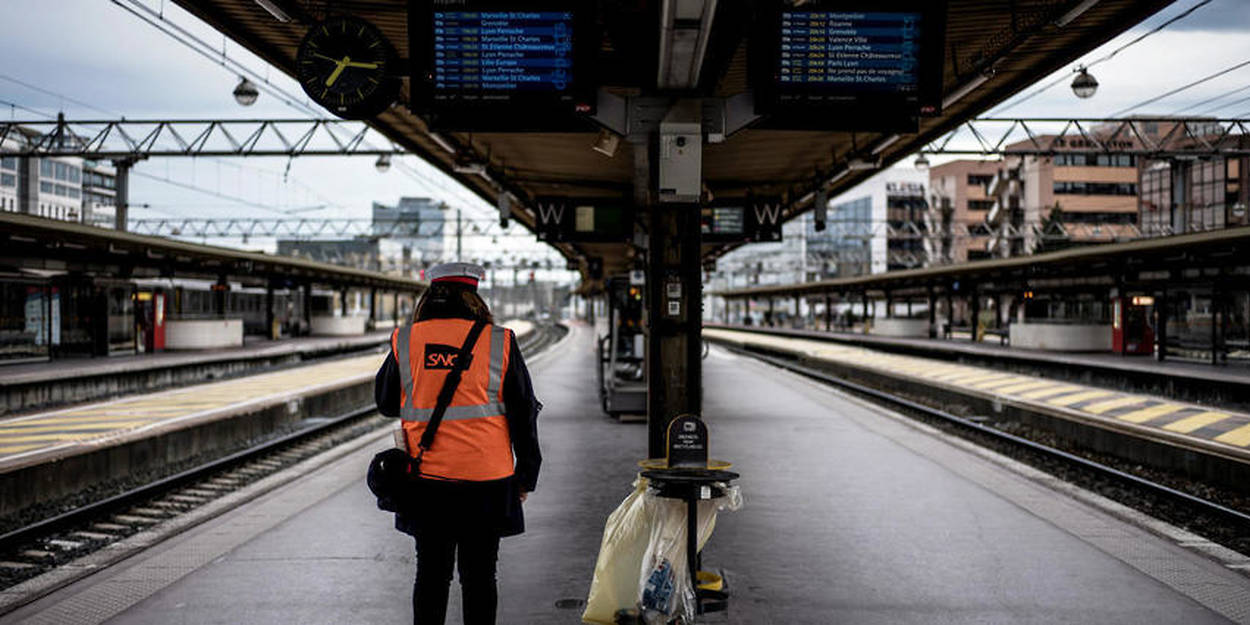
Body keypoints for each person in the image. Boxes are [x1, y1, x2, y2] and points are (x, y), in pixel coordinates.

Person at [374, 262, 542, 625]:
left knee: (432, 575)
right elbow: (523, 412)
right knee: (480, 577)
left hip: (427, 480)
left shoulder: (406, 340)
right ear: (475, 299)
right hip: (488, 481)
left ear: (429, 296)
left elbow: (386, 403)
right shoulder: (499, 341)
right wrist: (526, 476)